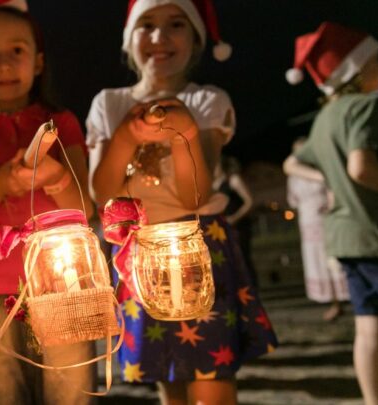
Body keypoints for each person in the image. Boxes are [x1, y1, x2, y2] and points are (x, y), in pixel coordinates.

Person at [86, 0, 277, 403]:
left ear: (195, 39)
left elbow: (196, 195)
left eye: (176, 24)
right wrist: (125, 136)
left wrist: (185, 134)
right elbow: (103, 194)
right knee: (167, 368)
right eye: (147, 25)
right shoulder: (110, 103)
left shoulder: (207, 101)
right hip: (140, 251)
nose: (159, 37)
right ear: (129, 40)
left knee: (212, 371)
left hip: (200, 246)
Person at [0, 1, 96, 403]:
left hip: (64, 289)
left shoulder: (61, 124)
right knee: (1, 396)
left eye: (17, 50)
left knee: (70, 394)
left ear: (39, 60)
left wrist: (57, 177)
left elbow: (85, 210)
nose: (4, 64)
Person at [283, 22, 378, 405]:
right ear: (356, 71)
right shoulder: (367, 106)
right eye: (375, 63)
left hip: (344, 238)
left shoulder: (325, 118)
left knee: (370, 330)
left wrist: (327, 175)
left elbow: (292, 163)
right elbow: (362, 168)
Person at [286, 137, 350, 321]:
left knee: (335, 259)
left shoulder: (322, 169)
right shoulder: (294, 175)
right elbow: (293, 200)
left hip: (327, 219)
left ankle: (348, 297)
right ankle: (334, 302)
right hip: (308, 222)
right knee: (319, 261)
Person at [213, 155, 257, 286]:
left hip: (238, 226)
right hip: (221, 228)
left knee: (242, 258)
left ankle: (252, 290)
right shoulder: (212, 183)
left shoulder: (233, 180)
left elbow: (249, 202)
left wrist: (234, 218)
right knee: (227, 260)